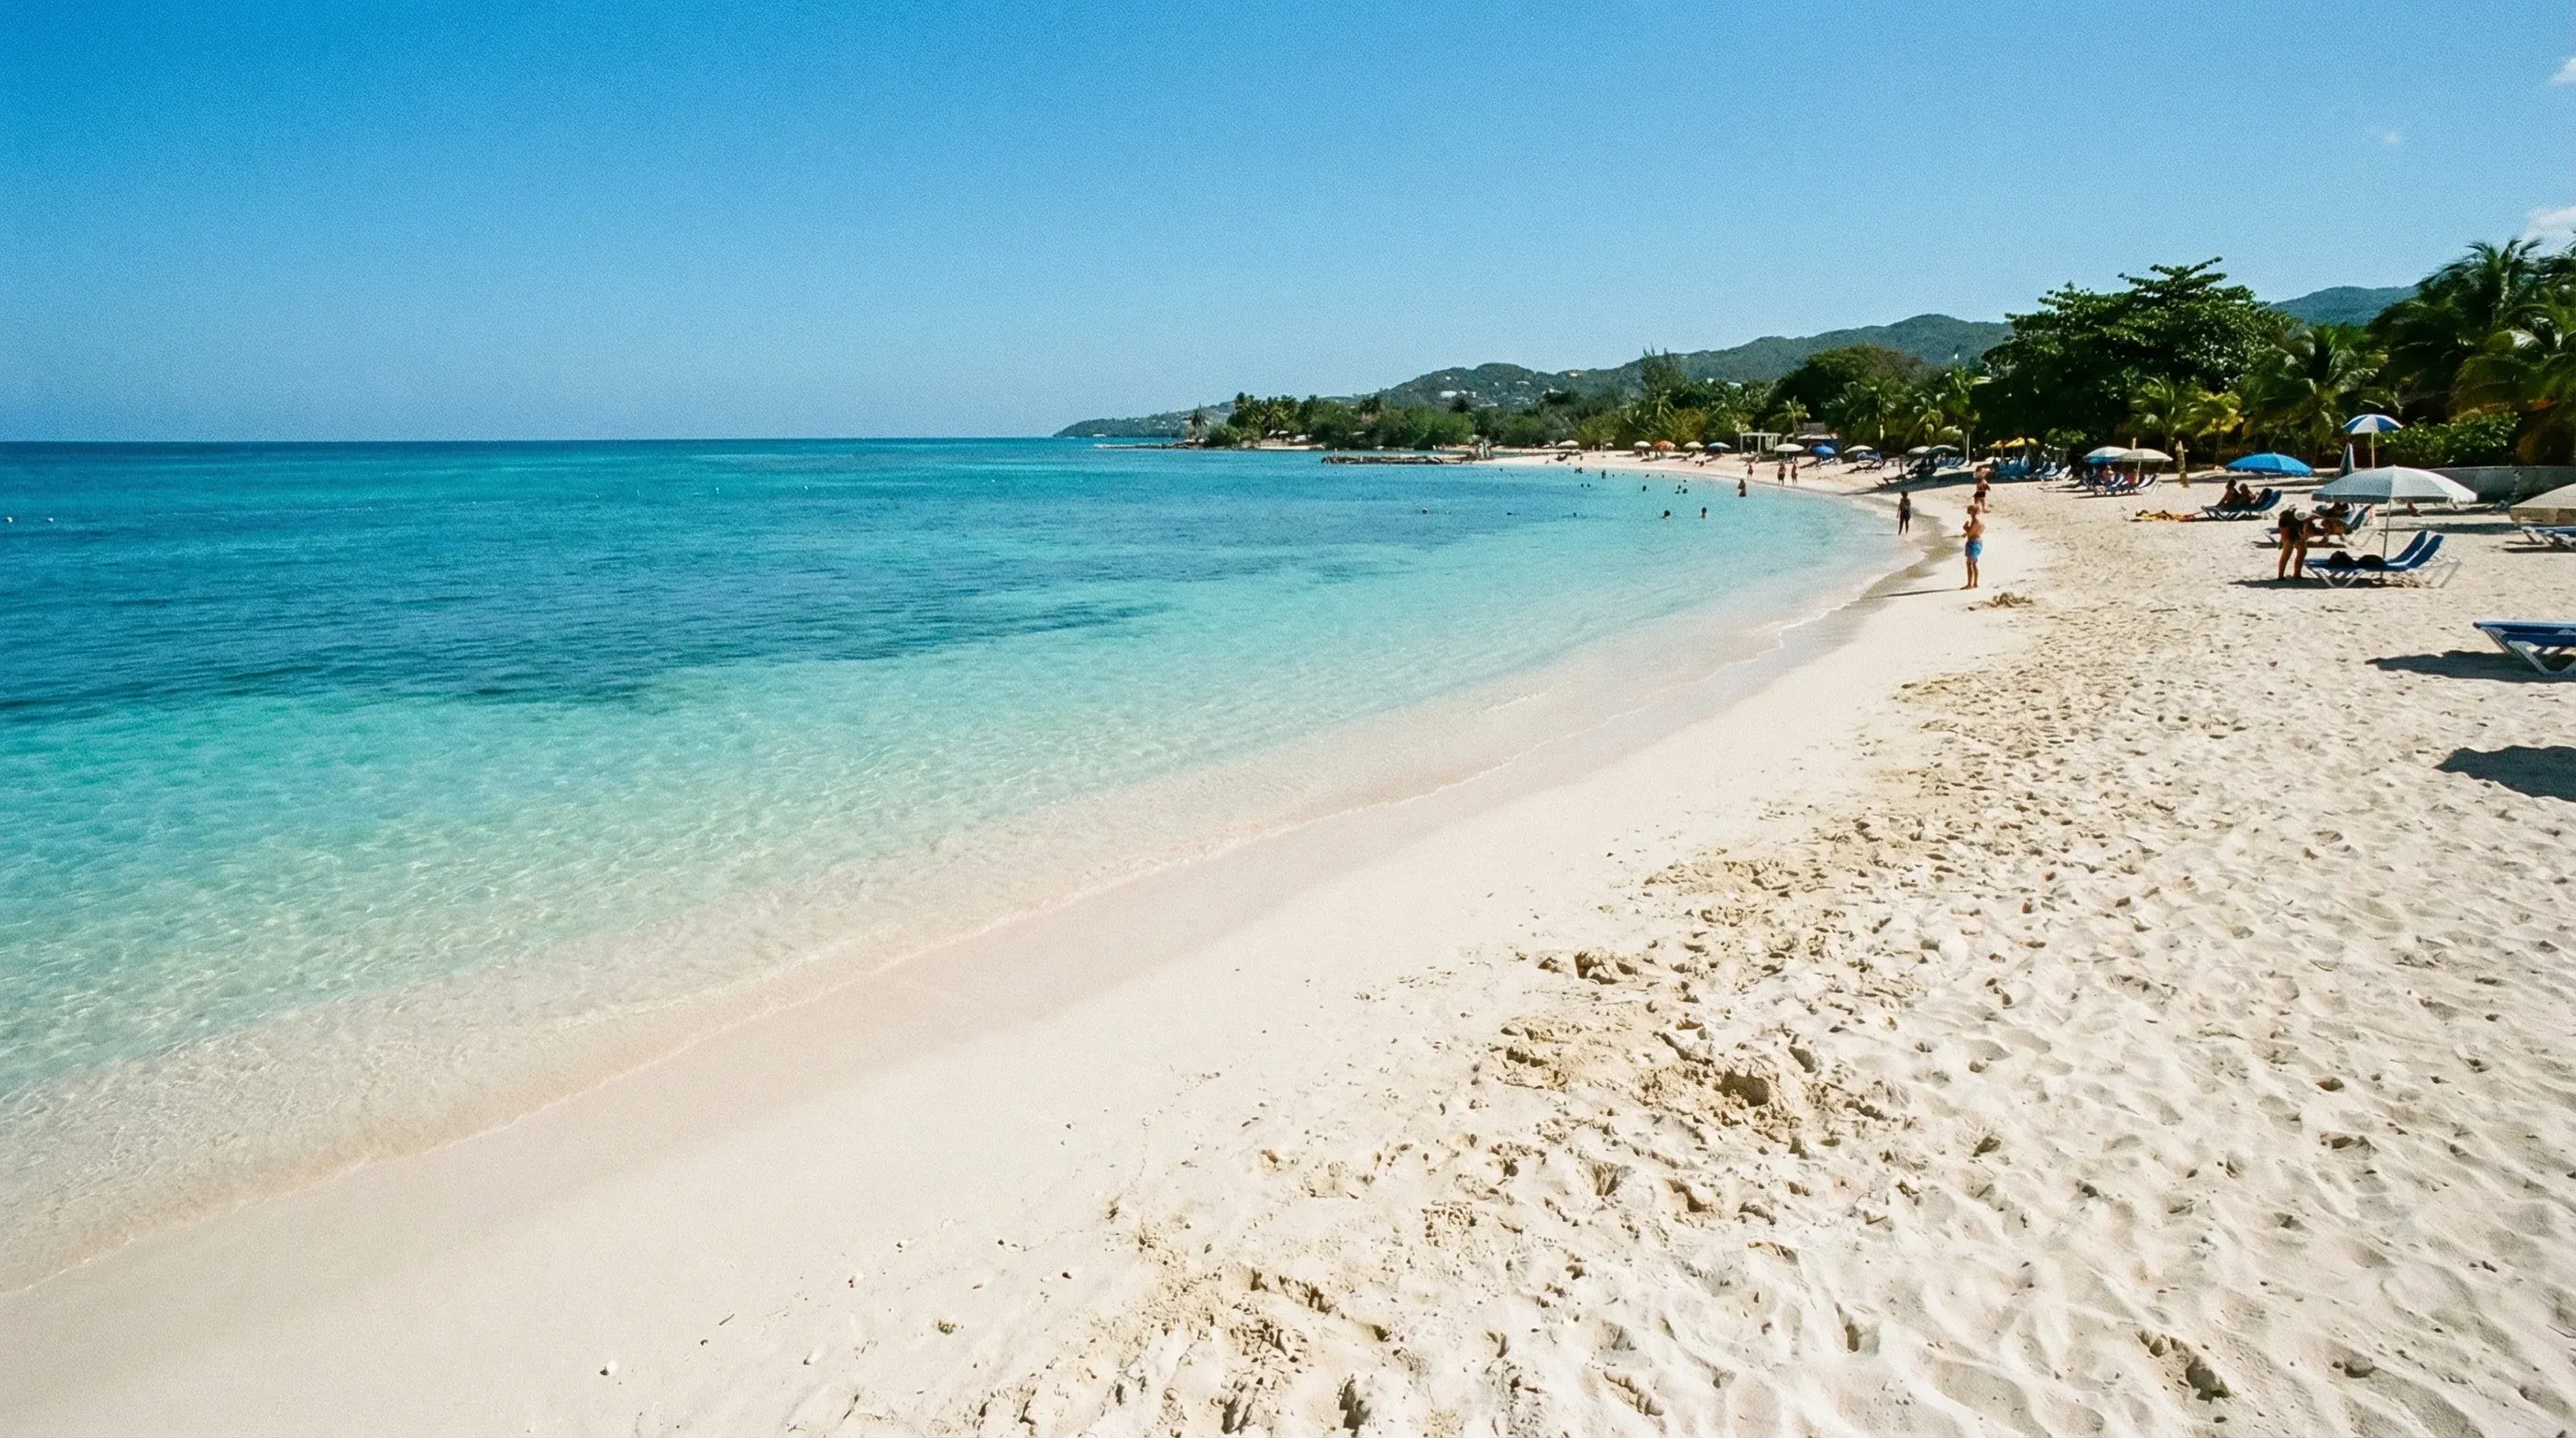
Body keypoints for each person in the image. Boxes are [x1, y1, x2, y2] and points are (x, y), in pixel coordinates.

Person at [2276, 506, 2308, 580]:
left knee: (2285, 556)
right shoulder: (2298, 518)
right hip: (2294, 537)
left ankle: (2280, 576)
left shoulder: (2283, 518)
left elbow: (2283, 531)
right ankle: (2297, 574)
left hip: (2287, 537)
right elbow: (2301, 531)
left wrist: (2281, 541)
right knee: (2302, 552)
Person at [1962, 506, 1985, 589]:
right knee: (1974, 563)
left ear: (1974, 511)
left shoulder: (1976, 521)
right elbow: (1978, 531)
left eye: (1970, 510)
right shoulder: (1980, 521)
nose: (1968, 511)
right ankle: (1975, 583)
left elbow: (1970, 534)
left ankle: (1969, 584)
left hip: (1973, 542)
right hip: (1978, 541)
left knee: (1969, 563)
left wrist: (1966, 528)